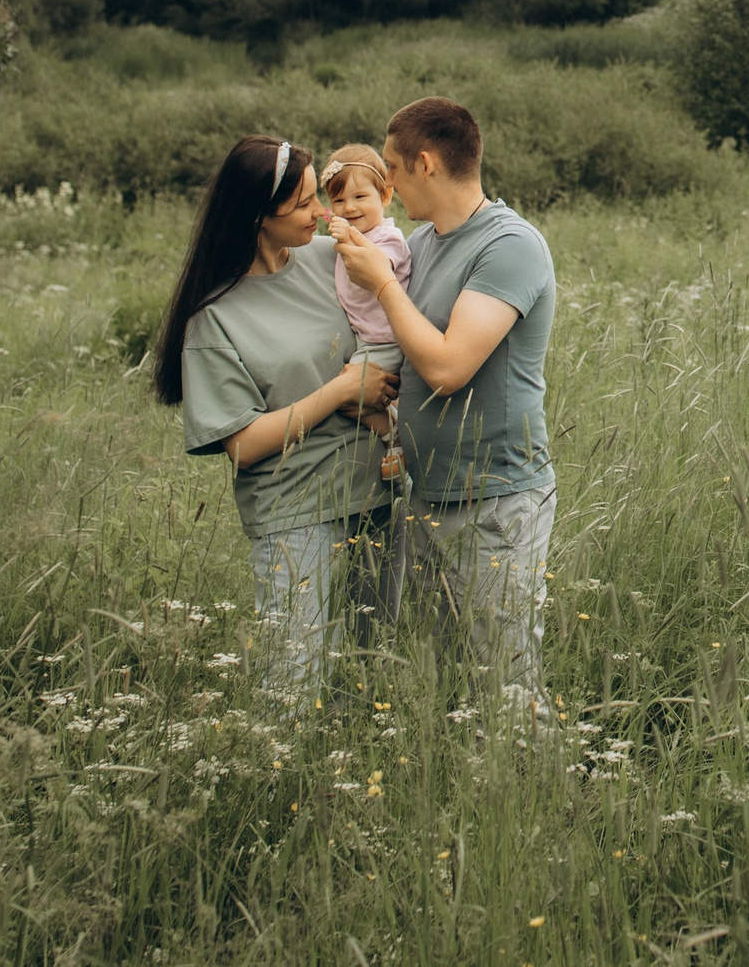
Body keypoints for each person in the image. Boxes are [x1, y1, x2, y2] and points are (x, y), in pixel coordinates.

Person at [333, 96, 559, 715]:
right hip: (429, 496)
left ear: (425, 164)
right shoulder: (422, 242)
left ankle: (536, 777)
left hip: (494, 500)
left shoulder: (510, 246)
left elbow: (448, 367)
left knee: (505, 687)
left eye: (391, 168)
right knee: (454, 685)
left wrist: (381, 281)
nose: (387, 184)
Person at [154, 134, 399, 700]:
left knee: (371, 677)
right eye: (305, 204)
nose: (325, 213)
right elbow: (242, 445)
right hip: (296, 516)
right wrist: (341, 391)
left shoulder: (332, 258)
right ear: (257, 217)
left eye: (319, 197)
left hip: (378, 496)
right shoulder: (214, 318)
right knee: (293, 686)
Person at [321, 143, 414, 483]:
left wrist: (349, 236)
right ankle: (399, 427)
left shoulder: (388, 238)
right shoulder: (354, 238)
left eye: (360, 197)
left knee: (348, 398)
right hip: (369, 337)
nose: (349, 208)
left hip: (386, 337)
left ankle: (397, 437)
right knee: (360, 394)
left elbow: (376, 266)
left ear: (385, 196)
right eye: (339, 201)